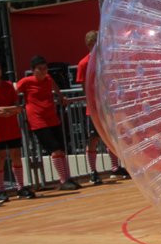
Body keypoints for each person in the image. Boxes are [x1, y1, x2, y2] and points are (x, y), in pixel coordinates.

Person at [16, 55, 80, 191]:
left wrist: (61, 96)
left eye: (45, 68)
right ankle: (63, 180)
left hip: (52, 118)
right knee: (55, 151)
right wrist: (16, 105)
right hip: (38, 121)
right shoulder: (26, 82)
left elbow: (54, 85)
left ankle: (67, 177)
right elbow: (15, 92)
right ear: (33, 70)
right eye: (40, 69)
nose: (44, 71)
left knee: (61, 150)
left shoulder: (48, 79)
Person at [0, 58, 36, 203]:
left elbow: (17, 107)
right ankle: (0, 190)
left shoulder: (8, 85)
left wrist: (7, 110)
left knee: (16, 154)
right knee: (0, 156)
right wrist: (10, 110)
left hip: (12, 126)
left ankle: (20, 187)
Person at [75, 31, 127, 183]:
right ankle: (92, 171)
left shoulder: (104, 61)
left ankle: (114, 168)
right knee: (93, 139)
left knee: (110, 136)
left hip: (106, 106)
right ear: (91, 44)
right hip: (94, 108)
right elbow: (82, 85)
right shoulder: (84, 63)